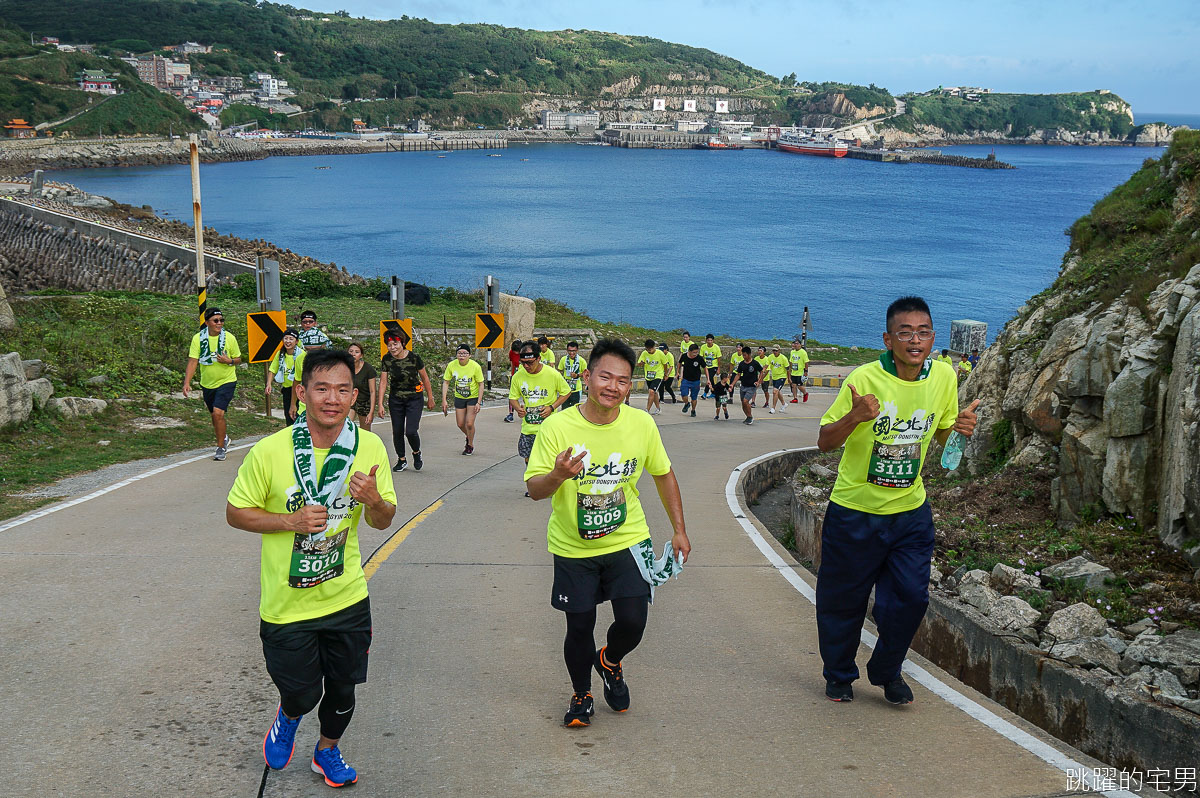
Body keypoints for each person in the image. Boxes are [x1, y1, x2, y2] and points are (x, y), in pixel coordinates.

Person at [226, 348, 397, 789]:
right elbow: (235, 512)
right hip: (287, 604)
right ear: (302, 393)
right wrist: (289, 521)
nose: (332, 399)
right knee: (302, 692)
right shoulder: (270, 451)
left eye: (342, 390)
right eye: (321, 388)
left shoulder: (370, 447)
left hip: (346, 596)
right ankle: (289, 713)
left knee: (343, 690)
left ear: (355, 396)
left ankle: (326, 751)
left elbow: (384, 519)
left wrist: (374, 500)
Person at [815, 296, 979, 706]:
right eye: (905, 333)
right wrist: (855, 417)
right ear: (888, 340)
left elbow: (940, 434)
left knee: (911, 598)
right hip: (855, 512)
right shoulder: (864, 379)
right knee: (843, 602)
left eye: (923, 332)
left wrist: (958, 429)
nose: (915, 340)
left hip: (910, 513)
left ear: (933, 339)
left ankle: (887, 670)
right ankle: (839, 674)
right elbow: (824, 442)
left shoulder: (944, 377)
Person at [524, 338, 692, 727]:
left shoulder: (641, 424)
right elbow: (534, 490)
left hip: (628, 540)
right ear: (587, 377)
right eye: (605, 377)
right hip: (572, 546)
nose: (613, 387)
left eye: (623, 380)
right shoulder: (557, 427)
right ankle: (581, 694)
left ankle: (610, 661)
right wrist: (558, 475)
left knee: (633, 622)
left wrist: (679, 530)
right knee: (578, 626)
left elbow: (664, 474)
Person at [183, 307, 242, 461]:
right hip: (207, 383)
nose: (219, 323)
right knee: (214, 416)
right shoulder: (198, 339)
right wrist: (187, 382)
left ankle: (221, 447)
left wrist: (229, 361)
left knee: (218, 413)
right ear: (207, 322)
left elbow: (238, 359)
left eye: (222, 320)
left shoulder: (229, 338)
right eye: (216, 320)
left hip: (227, 380)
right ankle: (224, 437)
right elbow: (193, 361)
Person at [377, 331, 434, 472]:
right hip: (396, 399)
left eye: (395, 344)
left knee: (411, 431)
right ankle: (401, 459)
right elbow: (383, 382)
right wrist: (380, 403)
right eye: (389, 345)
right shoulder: (387, 359)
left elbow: (425, 378)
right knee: (397, 431)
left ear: (402, 343)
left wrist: (431, 398)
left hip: (414, 398)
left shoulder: (414, 358)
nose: (392, 347)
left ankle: (416, 452)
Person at [510, 340, 571, 464]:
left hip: (548, 428)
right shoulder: (518, 376)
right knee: (529, 461)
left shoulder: (552, 374)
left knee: (548, 462)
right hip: (528, 429)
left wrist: (551, 407)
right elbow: (513, 397)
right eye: (523, 363)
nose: (526, 366)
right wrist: (518, 409)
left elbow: (566, 392)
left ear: (538, 358)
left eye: (530, 363)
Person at [442, 344, 484, 455]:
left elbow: (481, 384)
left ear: (469, 355)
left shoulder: (475, 366)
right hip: (459, 397)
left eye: (465, 353)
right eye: (459, 353)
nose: (462, 356)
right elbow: (446, 382)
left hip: (472, 397)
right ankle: (468, 436)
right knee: (460, 424)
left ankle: (470, 445)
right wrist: (444, 400)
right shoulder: (452, 365)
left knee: (469, 424)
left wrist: (479, 402)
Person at [267, 328, 305, 426]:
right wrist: (269, 384)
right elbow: (273, 369)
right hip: (287, 390)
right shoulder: (281, 354)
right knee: (289, 416)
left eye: (291, 339)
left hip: (300, 390)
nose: (288, 341)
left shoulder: (302, 355)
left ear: (296, 341)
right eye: (286, 338)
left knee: (299, 416)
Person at [635, 340, 669, 415]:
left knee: (651, 391)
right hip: (649, 376)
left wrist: (666, 374)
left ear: (654, 347)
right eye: (647, 349)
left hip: (658, 375)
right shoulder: (644, 353)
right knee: (654, 393)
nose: (649, 351)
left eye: (650, 349)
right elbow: (639, 364)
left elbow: (665, 364)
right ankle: (658, 408)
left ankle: (647, 410)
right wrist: (641, 363)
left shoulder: (660, 353)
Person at [347, 343, 376, 431]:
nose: (353, 354)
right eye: (351, 351)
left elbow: (373, 391)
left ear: (361, 355)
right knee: (346, 427)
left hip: (364, 402)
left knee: (365, 431)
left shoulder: (368, 369)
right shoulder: (344, 368)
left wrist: (371, 412)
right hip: (350, 402)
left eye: (356, 352)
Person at [733, 346, 764, 425]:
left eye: (745, 355)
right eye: (743, 355)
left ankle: (750, 416)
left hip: (751, 386)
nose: (744, 357)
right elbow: (738, 375)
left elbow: (761, 371)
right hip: (743, 386)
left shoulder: (755, 363)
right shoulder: (742, 364)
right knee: (743, 403)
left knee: (745, 401)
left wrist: (758, 381)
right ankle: (747, 416)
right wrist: (732, 384)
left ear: (749, 354)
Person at [677, 343, 706, 418]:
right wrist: (677, 372)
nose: (695, 354)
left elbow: (705, 368)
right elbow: (679, 363)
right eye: (694, 352)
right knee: (684, 394)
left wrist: (708, 379)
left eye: (697, 352)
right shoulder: (684, 356)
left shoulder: (699, 358)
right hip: (686, 379)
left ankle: (693, 410)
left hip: (695, 381)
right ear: (689, 351)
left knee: (694, 398)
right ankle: (686, 403)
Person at [557, 341, 586, 410]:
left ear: (577, 350)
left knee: (575, 410)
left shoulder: (581, 361)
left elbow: (586, 374)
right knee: (564, 409)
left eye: (574, 351)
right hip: (565, 389)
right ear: (567, 350)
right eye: (569, 351)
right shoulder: (563, 359)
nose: (571, 353)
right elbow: (559, 371)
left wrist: (577, 375)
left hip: (576, 389)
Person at [766, 344, 790, 414]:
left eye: (776, 351)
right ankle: (784, 404)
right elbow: (766, 366)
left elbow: (788, 369)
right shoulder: (770, 357)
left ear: (779, 350)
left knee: (775, 391)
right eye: (773, 350)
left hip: (782, 376)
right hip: (774, 376)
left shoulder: (783, 358)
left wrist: (789, 378)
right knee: (777, 391)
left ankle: (773, 407)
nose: (774, 352)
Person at [788, 337, 811, 404]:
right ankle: (795, 398)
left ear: (800, 345)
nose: (796, 345)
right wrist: (790, 369)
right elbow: (791, 361)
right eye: (795, 344)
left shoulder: (803, 352)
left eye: (797, 344)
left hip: (800, 372)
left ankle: (805, 393)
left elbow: (806, 362)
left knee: (799, 386)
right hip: (794, 371)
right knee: (793, 385)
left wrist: (806, 371)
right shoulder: (792, 352)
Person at [699, 334, 722, 399]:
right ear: (706, 340)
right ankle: (714, 392)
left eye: (711, 340)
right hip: (706, 366)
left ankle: (705, 393)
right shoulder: (703, 347)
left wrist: (718, 368)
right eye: (708, 340)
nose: (709, 342)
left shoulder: (716, 347)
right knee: (711, 380)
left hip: (714, 365)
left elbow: (719, 359)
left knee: (709, 378)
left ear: (713, 341)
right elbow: (701, 357)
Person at [506, 341, 522, 423]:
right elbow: (512, 363)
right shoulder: (511, 353)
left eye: (517, 352)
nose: (516, 353)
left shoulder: (524, 353)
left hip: (524, 375)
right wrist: (512, 374)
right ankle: (510, 414)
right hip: (515, 375)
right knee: (512, 395)